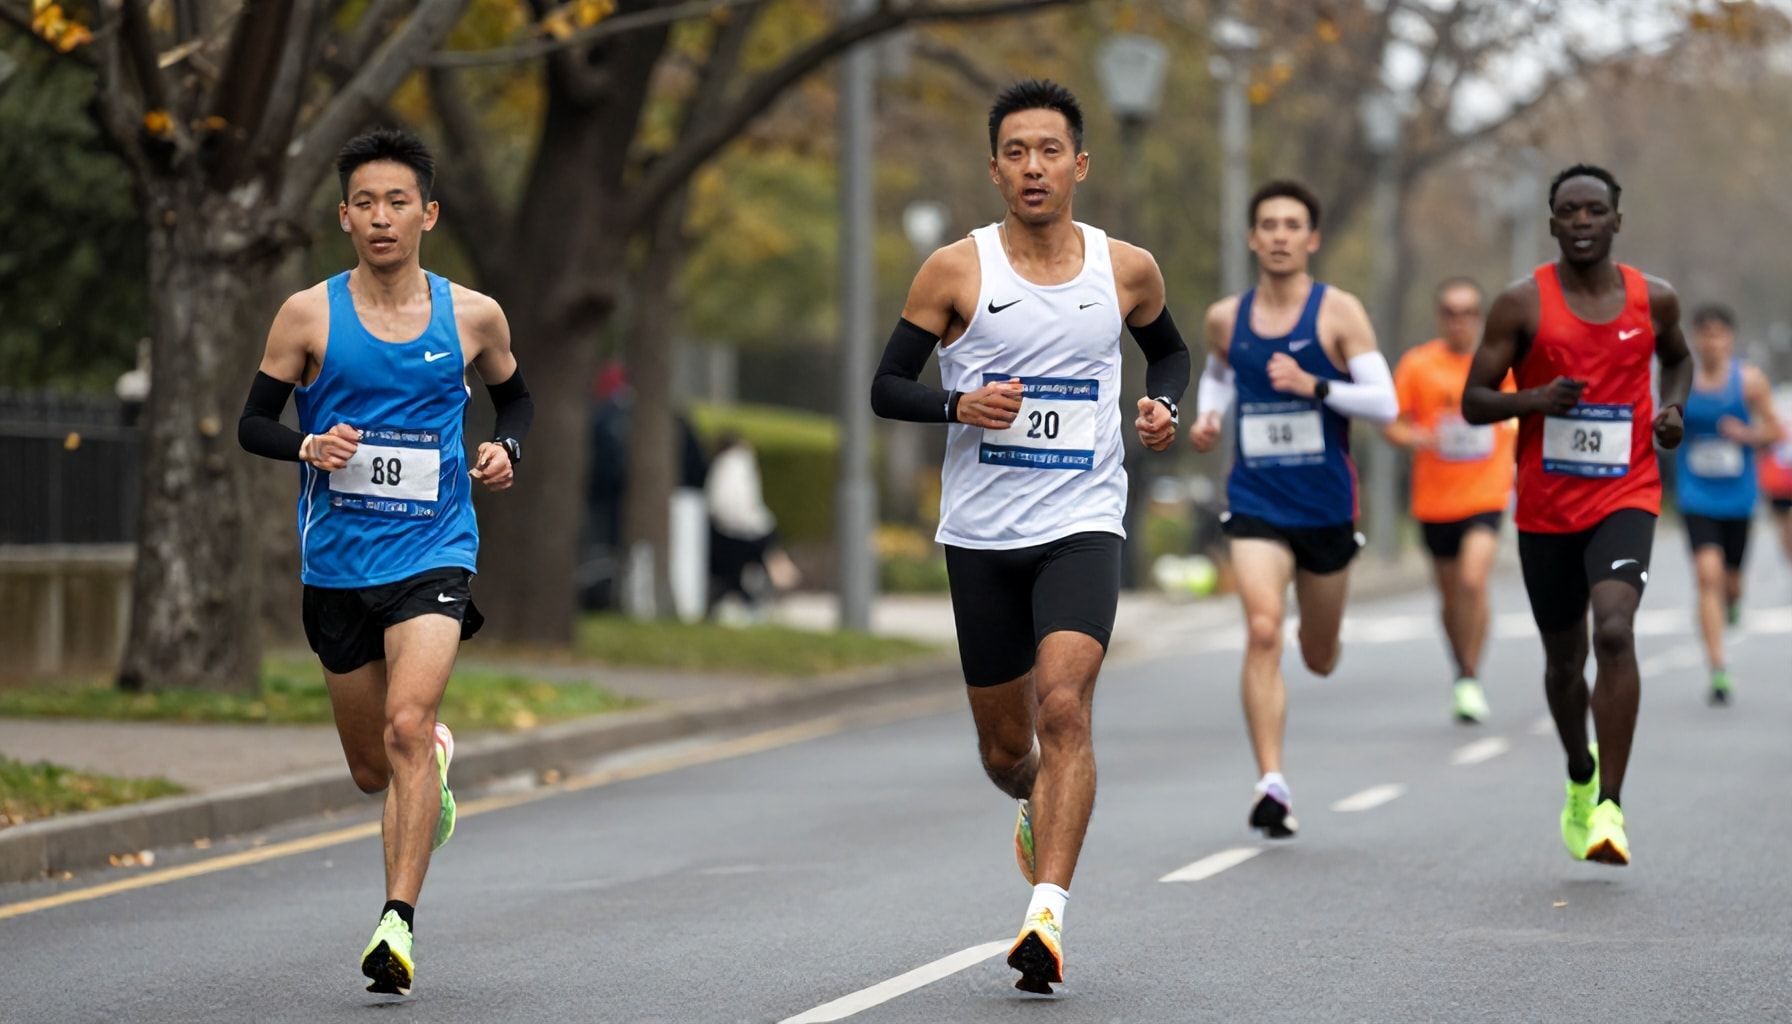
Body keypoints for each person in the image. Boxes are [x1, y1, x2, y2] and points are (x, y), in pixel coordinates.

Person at [870, 80, 1187, 995]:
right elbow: (886, 387)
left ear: (1079, 165)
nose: (1033, 167)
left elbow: (1168, 352)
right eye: (1016, 152)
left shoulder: (1126, 269)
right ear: (995, 169)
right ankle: (1035, 799)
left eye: (1050, 151)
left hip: (1082, 522)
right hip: (981, 535)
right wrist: (956, 403)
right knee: (1009, 751)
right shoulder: (954, 271)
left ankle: (1045, 916)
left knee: (1065, 708)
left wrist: (1163, 403)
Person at [237, 128, 533, 995]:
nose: (381, 217)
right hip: (337, 563)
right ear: (343, 217)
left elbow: (516, 396)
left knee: (406, 724)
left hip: (435, 550)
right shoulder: (307, 316)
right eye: (364, 203)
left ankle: (396, 925)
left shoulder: (472, 316)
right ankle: (428, 761)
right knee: (375, 770)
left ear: (426, 214)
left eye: (397, 202)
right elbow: (253, 422)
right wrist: (306, 446)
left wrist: (506, 448)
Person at [1463, 163, 1690, 867]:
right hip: (1546, 509)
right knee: (1565, 663)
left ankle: (1611, 808)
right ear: (1553, 223)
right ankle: (1580, 774)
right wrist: (1534, 400)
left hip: (1627, 492)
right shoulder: (1520, 304)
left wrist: (1674, 407)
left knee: (1614, 632)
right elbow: (1473, 401)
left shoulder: (1654, 299)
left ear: (1617, 220)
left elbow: (1678, 361)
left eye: (1595, 210)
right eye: (1570, 211)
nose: (1583, 221)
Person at [1188, 180, 1398, 840]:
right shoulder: (1227, 318)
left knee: (1318, 654)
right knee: (1261, 629)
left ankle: (1323, 638)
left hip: (1326, 506)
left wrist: (1315, 385)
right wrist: (1209, 415)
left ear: (1312, 239)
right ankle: (1271, 782)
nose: (1280, 235)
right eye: (1269, 225)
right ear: (1253, 238)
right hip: (1256, 499)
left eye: (1292, 225)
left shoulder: (1339, 313)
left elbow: (1386, 403)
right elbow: (1219, 372)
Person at [1385, 278, 1514, 724]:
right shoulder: (1418, 365)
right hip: (1436, 501)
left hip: (1486, 493)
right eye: (1451, 313)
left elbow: (1520, 414)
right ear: (1440, 318)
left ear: (1481, 318)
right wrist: (1417, 436)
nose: (1459, 322)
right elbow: (1392, 423)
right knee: (1449, 595)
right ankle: (1461, 669)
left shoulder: (1499, 365)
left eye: (1468, 313)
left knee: (1473, 581)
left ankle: (1471, 674)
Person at [1674, 304, 1782, 704]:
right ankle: (1718, 668)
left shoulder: (1749, 381)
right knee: (1707, 576)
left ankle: (1733, 603)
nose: (1711, 342)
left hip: (1738, 499)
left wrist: (1747, 435)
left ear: (1730, 339)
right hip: (1695, 495)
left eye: (1718, 334)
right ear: (1695, 339)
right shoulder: (1682, 381)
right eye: (1704, 334)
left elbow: (1775, 430)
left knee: (1731, 583)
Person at [706, 430, 798, 616]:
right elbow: (736, 504)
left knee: (758, 558)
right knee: (769, 550)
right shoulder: (739, 463)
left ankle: (776, 580)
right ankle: (781, 580)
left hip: (732, 530)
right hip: (744, 531)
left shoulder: (725, 464)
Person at [1759, 384, 1792, 573]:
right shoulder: (1775, 400)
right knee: (1784, 523)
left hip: (1779, 474)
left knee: (1785, 524)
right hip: (1780, 476)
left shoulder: (1776, 399)